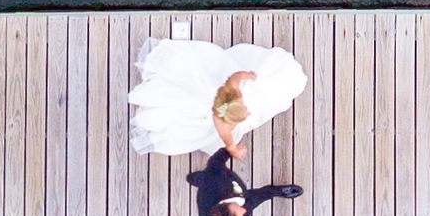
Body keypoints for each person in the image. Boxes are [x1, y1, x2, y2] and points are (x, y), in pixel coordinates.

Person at [123, 36, 309, 157]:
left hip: (211, 97)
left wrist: (248, 75)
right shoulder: (223, 120)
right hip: (207, 106)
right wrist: (235, 150)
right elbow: (228, 142)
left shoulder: (231, 93)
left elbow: (235, 78)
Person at [189, 148, 302, 216]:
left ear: (224, 202)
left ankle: (202, 177)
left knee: (211, 174)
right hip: (242, 198)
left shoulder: (217, 182)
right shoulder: (240, 212)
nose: (244, 210)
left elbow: (215, 161)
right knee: (260, 196)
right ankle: (279, 191)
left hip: (223, 184)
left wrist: (231, 150)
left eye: (239, 210)